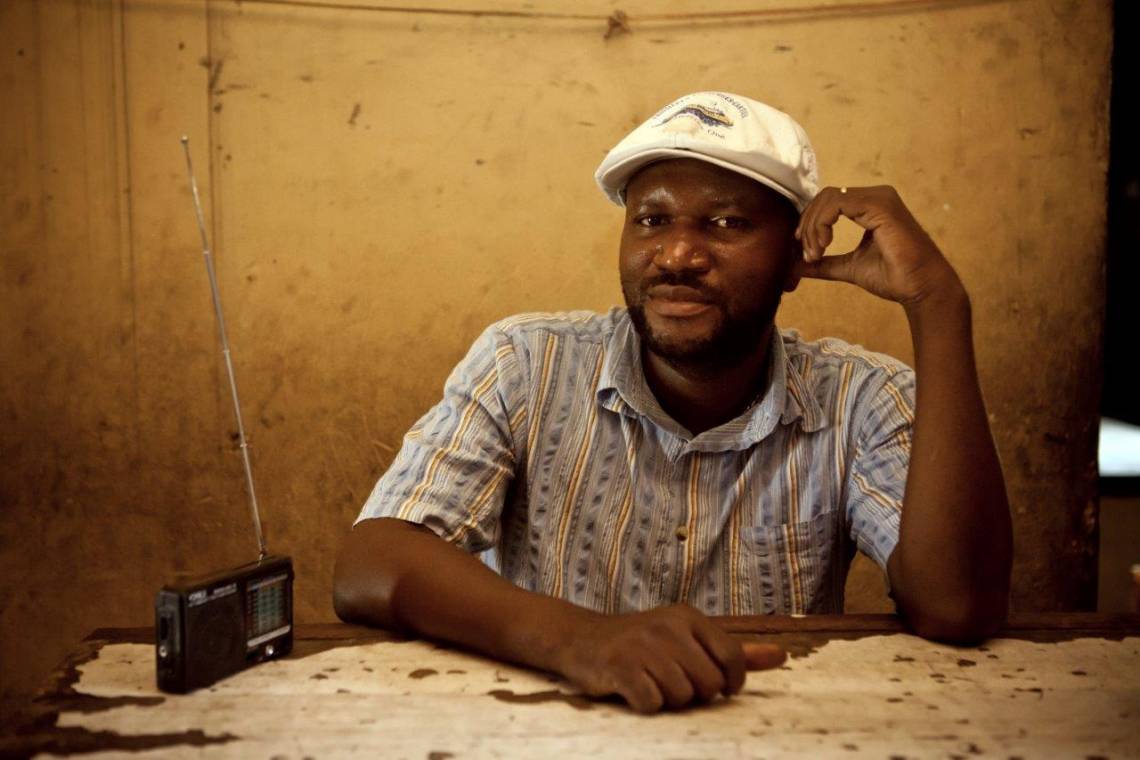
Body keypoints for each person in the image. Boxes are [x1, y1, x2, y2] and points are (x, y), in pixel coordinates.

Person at [333, 92, 1013, 714]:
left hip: (765, 735)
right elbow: (372, 564)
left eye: (726, 222)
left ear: (795, 258)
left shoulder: (862, 396)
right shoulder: (526, 364)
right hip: (547, 730)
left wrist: (938, 304)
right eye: (651, 219)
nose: (678, 254)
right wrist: (583, 642)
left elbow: (958, 606)